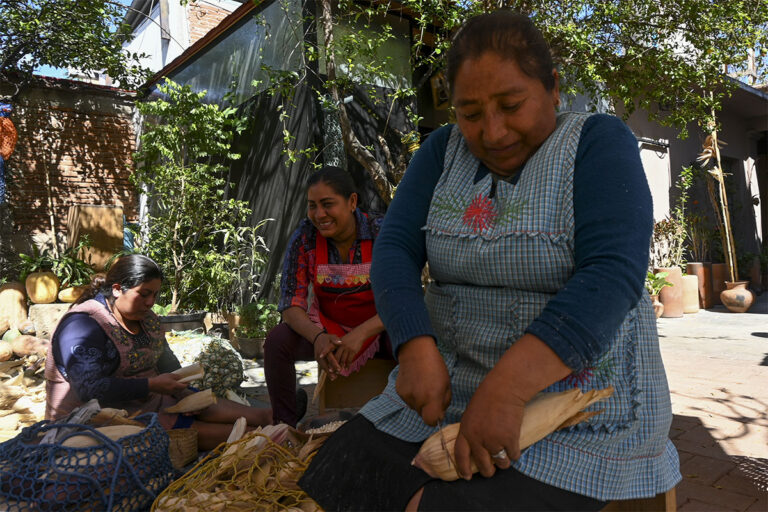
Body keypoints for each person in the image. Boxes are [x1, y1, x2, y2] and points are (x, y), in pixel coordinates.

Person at [298, 11, 681, 511]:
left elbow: (612, 274)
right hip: (453, 388)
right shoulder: (441, 151)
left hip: (576, 405)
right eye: (470, 113)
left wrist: (507, 390)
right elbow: (394, 250)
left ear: (553, 88)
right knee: (336, 473)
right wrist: (414, 347)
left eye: (511, 105)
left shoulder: (597, 142)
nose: (493, 132)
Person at [45, 254, 272, 450]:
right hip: (92, 419)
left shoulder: (146, 320)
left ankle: (269, 416)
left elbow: (168, 365)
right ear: (116, 289)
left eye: (155, 295)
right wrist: (151, 385)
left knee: (202, 403)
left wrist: (186, 392)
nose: (151, 302)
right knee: (230, 434)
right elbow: (90, 389)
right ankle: (261, 433)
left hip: (144, 402)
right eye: (144, 294)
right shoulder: (83, 326)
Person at [264, 166, 392, 426]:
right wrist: (318, 337)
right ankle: (284, 429)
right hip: (328, 330)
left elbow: (403, 300)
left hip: (381, 327)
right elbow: (291, 305)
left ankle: (410, 419)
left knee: (412, 339)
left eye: (327, 204)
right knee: (277, 340)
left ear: (352, 201)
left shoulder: (383, 232)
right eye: (312, 206)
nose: (319, 215)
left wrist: (361, 333)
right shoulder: (305, 238)